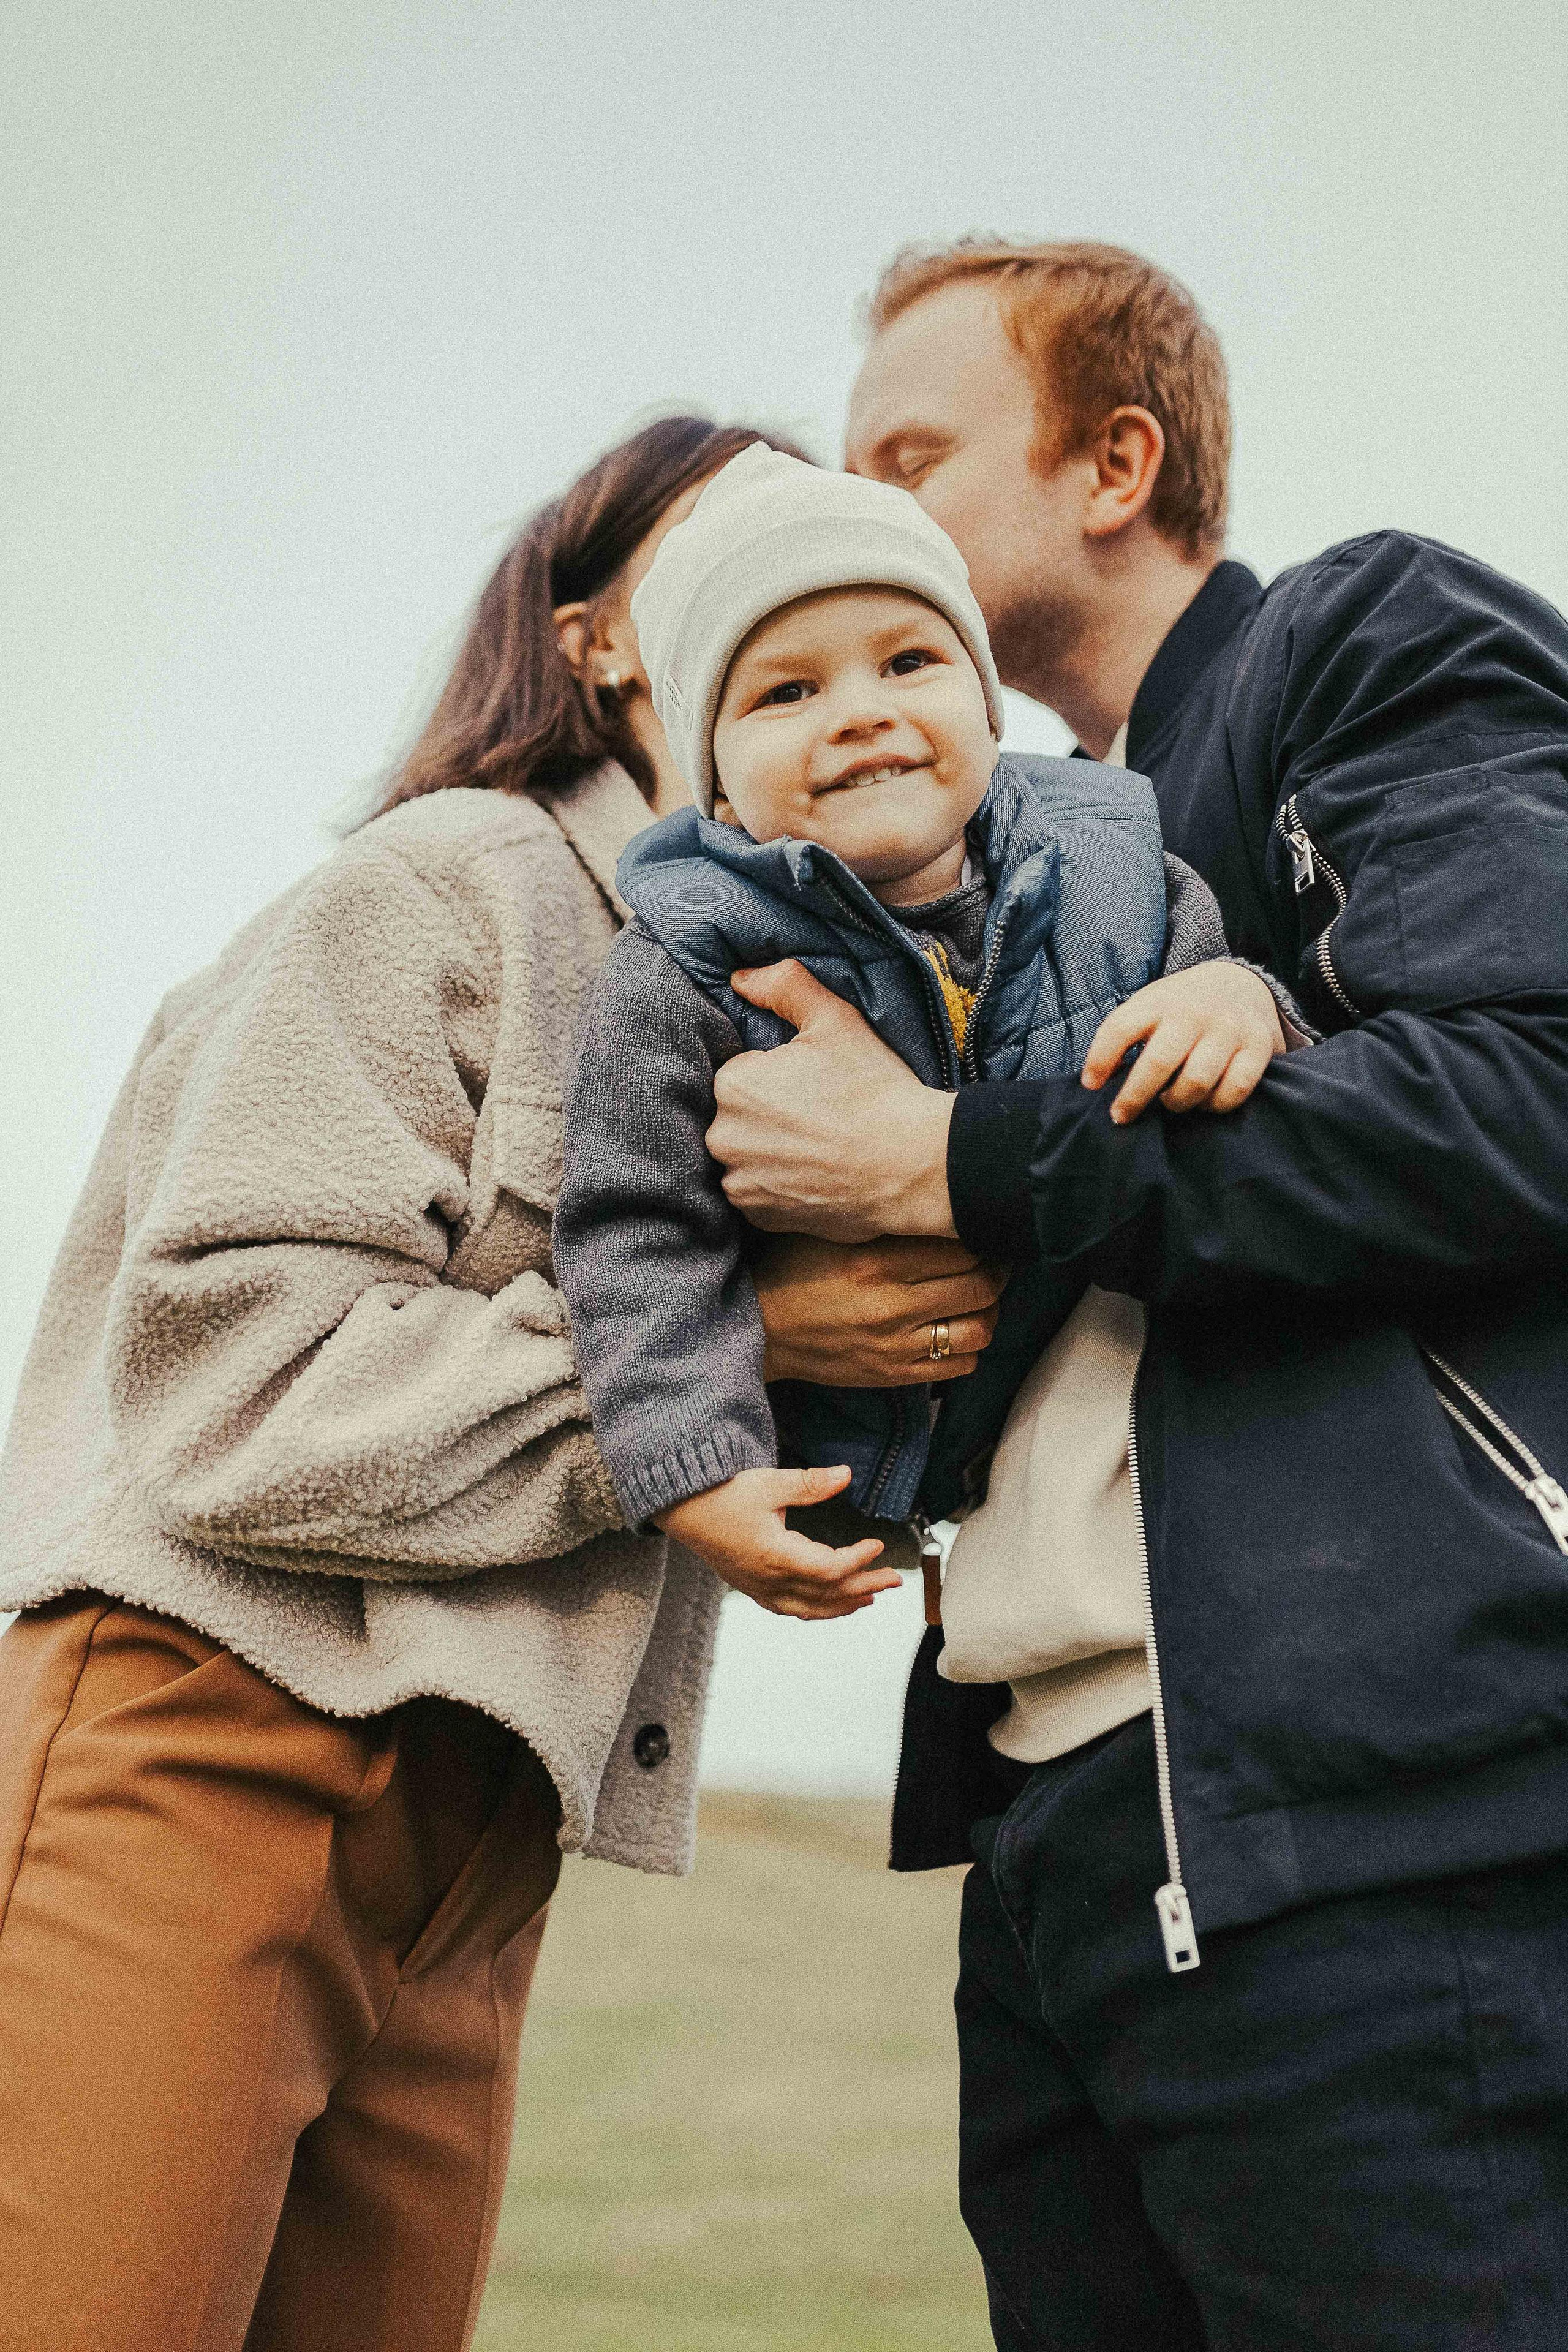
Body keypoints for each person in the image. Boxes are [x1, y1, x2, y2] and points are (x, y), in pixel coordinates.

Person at [0, 413, 998, 2352]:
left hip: (481, 1840)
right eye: (737, 542)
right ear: (609, 635)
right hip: (212, 1730)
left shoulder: (767, 992)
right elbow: (227, 1386)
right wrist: (733, 1350)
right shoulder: (454, 883)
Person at [701, 241, 1568, 2350]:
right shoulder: (956, 887)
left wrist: (955, 1160)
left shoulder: (1364, 634)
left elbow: (1531, 1088)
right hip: (1057, 1863)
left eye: (913, 454)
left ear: (1118, 460)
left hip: (1379, 1839)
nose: (865, 505)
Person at [554, 441, 1290, 1619]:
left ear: (986, 703)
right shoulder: (683, 966)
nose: (861, 715)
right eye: (787, 693)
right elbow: (634, 1233)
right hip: (872, 1459)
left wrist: (1244, 999)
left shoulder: (1124, 885)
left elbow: (1264, 1076)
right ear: (720, 784)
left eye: (908, 661)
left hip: (1122, 1462)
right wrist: (695, 1471)